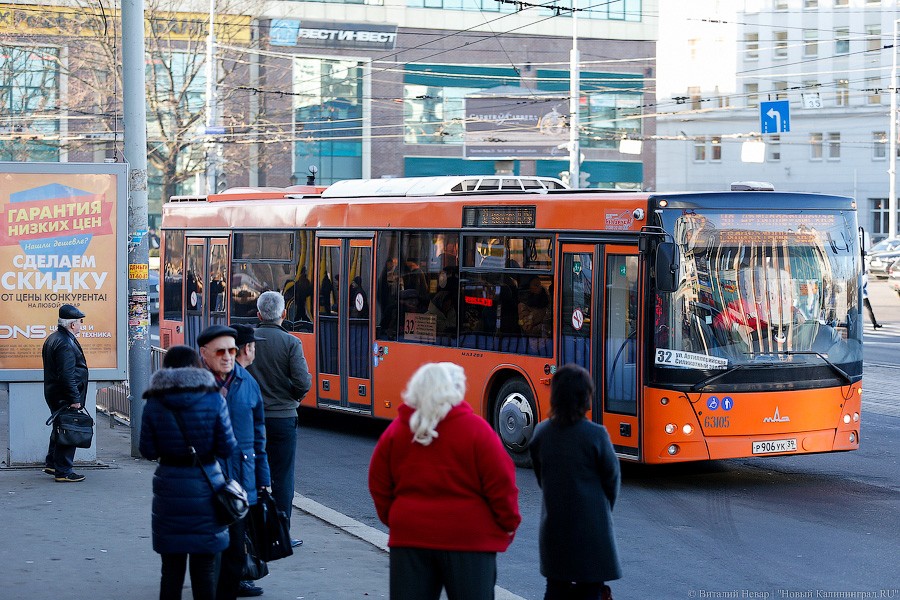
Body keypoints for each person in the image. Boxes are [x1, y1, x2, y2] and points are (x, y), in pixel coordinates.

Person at [368, 362, 521, 600]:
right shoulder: (477, 430)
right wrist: (507, 522)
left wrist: (398, 517)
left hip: (410, 536)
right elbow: (502, 484)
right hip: (469, 539)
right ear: (456, 390)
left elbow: (378, 482)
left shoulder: (398, 431)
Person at [139, 345, 238, 600]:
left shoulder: (154, 401)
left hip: (169, 487)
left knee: (170, 571)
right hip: (207, 485)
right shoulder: (214, 398)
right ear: (196, 365)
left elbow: (147, 450)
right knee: (204, 570)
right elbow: (227, 448)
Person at [528, 364, 622, 600]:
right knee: (590, 590)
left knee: (555, 589)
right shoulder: (596, 435)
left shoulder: (541, 433)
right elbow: (612, 481)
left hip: (555, 529)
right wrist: (601, 509)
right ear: (585, 397)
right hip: (592, 531)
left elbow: (542, 477)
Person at [196, 325, 271, 600]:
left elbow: (259, 436)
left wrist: (263, 482)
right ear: (205, 354)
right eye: (221, 351)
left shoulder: (247, 383)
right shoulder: (193, 384)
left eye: (231, 350)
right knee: (206, 552)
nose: (228, 356)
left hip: (240, 481)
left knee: (235, 552)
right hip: (204, 482)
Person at [246, 291, 312, 548]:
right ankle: (280, 532)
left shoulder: (248, 340)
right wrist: (292, 397)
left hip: (252, 418)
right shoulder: (291, 342)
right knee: (283, 477)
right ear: (284, 315)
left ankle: (251, 531)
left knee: (251, 472)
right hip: (283, 418)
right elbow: (302, 382)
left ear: (258, 314)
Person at [42, 304, 90, 482]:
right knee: (69, 429)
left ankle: (52, 464)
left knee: (60, 427)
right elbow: (67, 375)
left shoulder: (55, 338)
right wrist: (74, 399)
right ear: (72, 325)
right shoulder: (65, 343)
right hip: (64, 396)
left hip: (55, 393)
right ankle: (63, 471)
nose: (81, 325)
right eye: (79, 322)